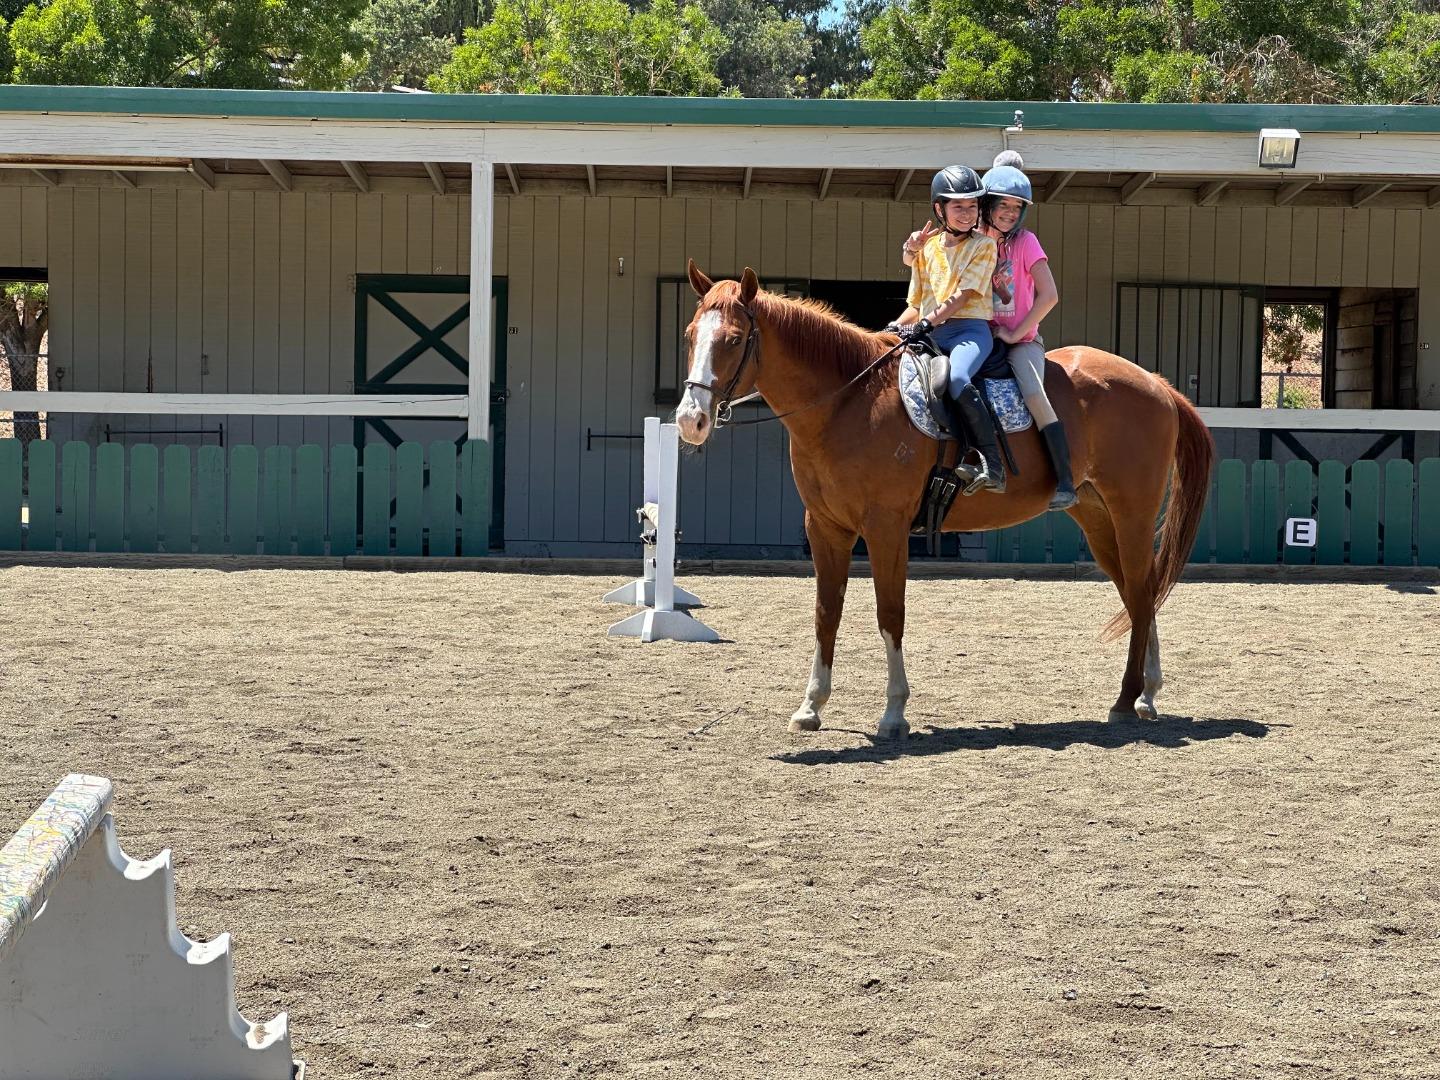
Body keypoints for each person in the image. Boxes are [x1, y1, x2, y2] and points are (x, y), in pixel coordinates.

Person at [891, 165, 1005, 493]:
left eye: (972, 206)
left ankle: (991, 463)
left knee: (956, 379)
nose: (967, 213)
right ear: (939, 209)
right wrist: (892, 329)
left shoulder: (984, 246)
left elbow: (963, 296)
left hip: (969, 330)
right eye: (958, 206)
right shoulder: (927, 248)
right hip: (930, 331)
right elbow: (917, 304)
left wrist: (927, 322)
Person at [980, 150, 1077, 510]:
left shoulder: (1026, 242)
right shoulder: (972, 240)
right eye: (1002, 204)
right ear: (987, 204)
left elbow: (1049, 295)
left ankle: (1065, 480)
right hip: (977, 337)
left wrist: (1013, 333)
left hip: (1021, 341)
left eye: (1016, 207)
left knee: (1034, 393)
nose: (1009, 212)